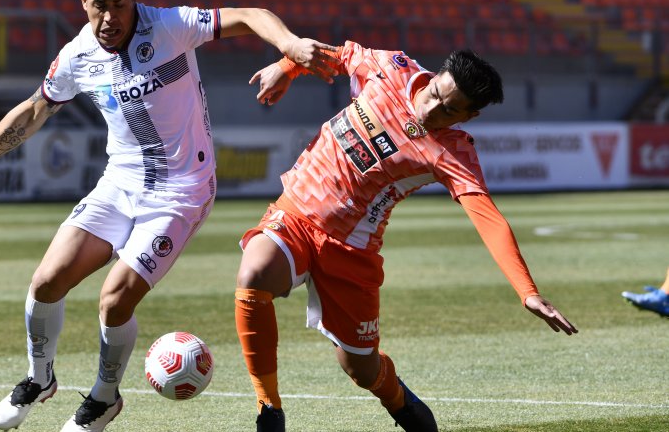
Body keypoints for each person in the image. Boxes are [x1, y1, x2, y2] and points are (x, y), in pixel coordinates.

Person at [0, 0, 336, 432]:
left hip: (182, 189)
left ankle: (104, 398)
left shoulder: (170, 26)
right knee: (45, 282)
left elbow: (251, 16)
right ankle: (38, 377)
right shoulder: (77, 56)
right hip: (120, 181)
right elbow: (34, 109)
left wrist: (290, 46)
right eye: (99, 4)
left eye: (120, 4)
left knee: (113, 299)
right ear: (82, 0)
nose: (110, 17)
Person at [234, 42, 578, 432]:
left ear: (470, 116)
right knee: (254, 274)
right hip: (296, 212)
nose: (432, 109)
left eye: (449, 110)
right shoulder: (388, 67)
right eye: (434, 93)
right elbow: (327, 55)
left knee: (361, 370)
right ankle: (269, 408)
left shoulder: (451, 152)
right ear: (434, 76)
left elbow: (488, 218)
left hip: (352, 252)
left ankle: (398, 399)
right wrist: (287, 66)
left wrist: (527, 291)